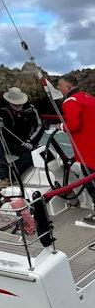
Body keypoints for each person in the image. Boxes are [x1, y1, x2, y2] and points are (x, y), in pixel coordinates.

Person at [0, 88, 44, 187]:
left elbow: (40, 126)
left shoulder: (31, 108)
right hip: (3, 141)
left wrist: (31, 142)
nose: (18, 106)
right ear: (9, 101)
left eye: (20, 104)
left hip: (23, 142)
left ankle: (11, 175)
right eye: (15, 104)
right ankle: (3, 176)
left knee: (32, 155)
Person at [58, 74, 95, 223]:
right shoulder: (88, 97)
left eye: (60, 85)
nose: (58, 88)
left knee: (90, 182)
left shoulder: (70, 101)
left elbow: (73, 125)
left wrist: (61, 126)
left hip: (87, 152)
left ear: (67, 87)